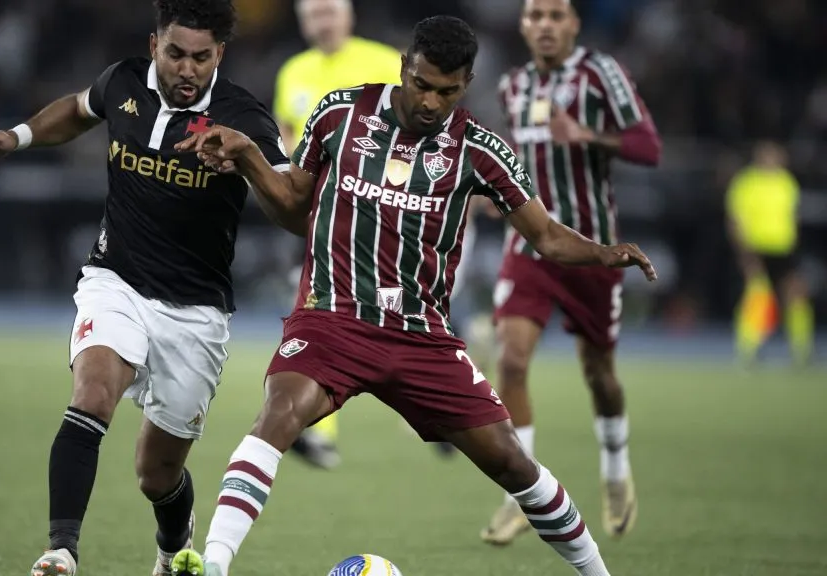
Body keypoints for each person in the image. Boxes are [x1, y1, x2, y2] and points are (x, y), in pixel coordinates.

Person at [170, 15, 657, 576]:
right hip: (333, 319)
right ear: (405, 66)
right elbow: (293, 210)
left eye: (447, 91)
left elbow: (544, 235)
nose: (430, 101)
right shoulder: (339, 113)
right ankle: (213, 564)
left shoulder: (478, 148)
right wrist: (252, 158)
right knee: (277, 416)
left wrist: (602, 252)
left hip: (421, 337)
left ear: (466, 83)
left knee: (513, 463)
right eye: (422, 84)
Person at [0, 2, 291, 575]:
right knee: (91, 395)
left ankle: (171, 546)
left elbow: (292, 202)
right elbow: (78, 110)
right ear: (154, 43)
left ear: (221, 56)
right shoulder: (124, 81)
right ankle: (61, 550)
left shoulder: (243, 117)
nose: (187, 69)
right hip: (116, 279)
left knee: (155, 472)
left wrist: (246, 155)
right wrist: (14, 138)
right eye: (176, 54)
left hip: (196, 311)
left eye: (202, 58)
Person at [482, 0, 662, 545]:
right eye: (535, 15)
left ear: (574, 24)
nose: (545, 25)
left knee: (599, 375)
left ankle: (614, 470)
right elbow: (518, 160)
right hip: (531, 246)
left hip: (590, 248)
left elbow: (648, 146)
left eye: (556, 15)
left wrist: (589, 136)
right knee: (510, 360)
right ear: (523, 25)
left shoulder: (600, 73)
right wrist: (495, 195)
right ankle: (523, 491)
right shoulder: (512, 87)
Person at [272, 0, 442, 467]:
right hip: (321, 214)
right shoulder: (293, 71)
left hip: (382, 212)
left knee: (404, 307)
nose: (322, 19)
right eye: (313, 12)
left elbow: (422, 127)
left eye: (330, 10)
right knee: (311, 304)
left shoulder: (384, 62)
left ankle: (442, 404)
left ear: (348, 15)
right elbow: (287, 132)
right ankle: (318, 430)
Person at [727, 140, 813, 367]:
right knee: (758, 296)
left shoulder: (787, 182)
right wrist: (744, 253)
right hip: (757, 248)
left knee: (796, 295)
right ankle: (747, 352)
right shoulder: (746, 183)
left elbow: (793, 216)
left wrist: (796, 243)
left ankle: (802, 351)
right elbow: (735, 220)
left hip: (784, 249)